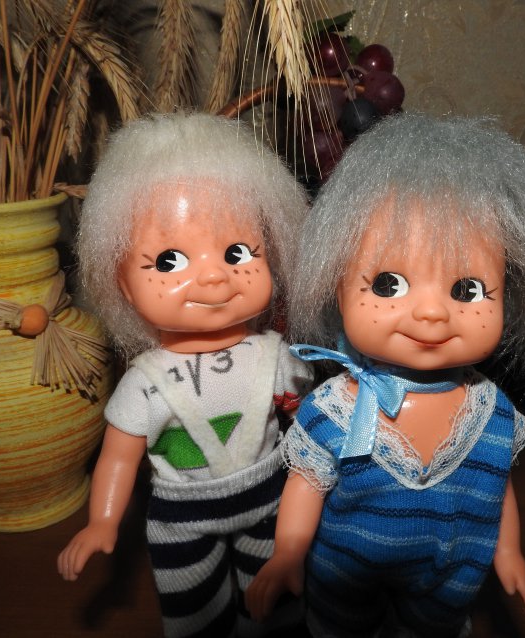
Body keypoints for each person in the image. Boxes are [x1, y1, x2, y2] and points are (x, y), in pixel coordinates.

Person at [245, 113, 525, 637]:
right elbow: (308, 484)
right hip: (345, 573)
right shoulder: (334, 408)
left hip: (452, 575)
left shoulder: (492, 411)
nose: (433, 313)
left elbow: (495, 486)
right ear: (337, 286)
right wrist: (288, 553)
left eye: (466, 291)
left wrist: (508, 551)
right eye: (389, 285)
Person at [57, 112, 313, 638]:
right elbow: (118, 458)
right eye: (169, 261)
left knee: (274, 609)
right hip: (181, 521)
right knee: (194, 612)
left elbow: (305, 420)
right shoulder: (146, 382)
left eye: (238, 253)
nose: (215, 275)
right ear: (123, 285)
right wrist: (103, 520)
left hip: (269, 505)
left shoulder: (276, 356)